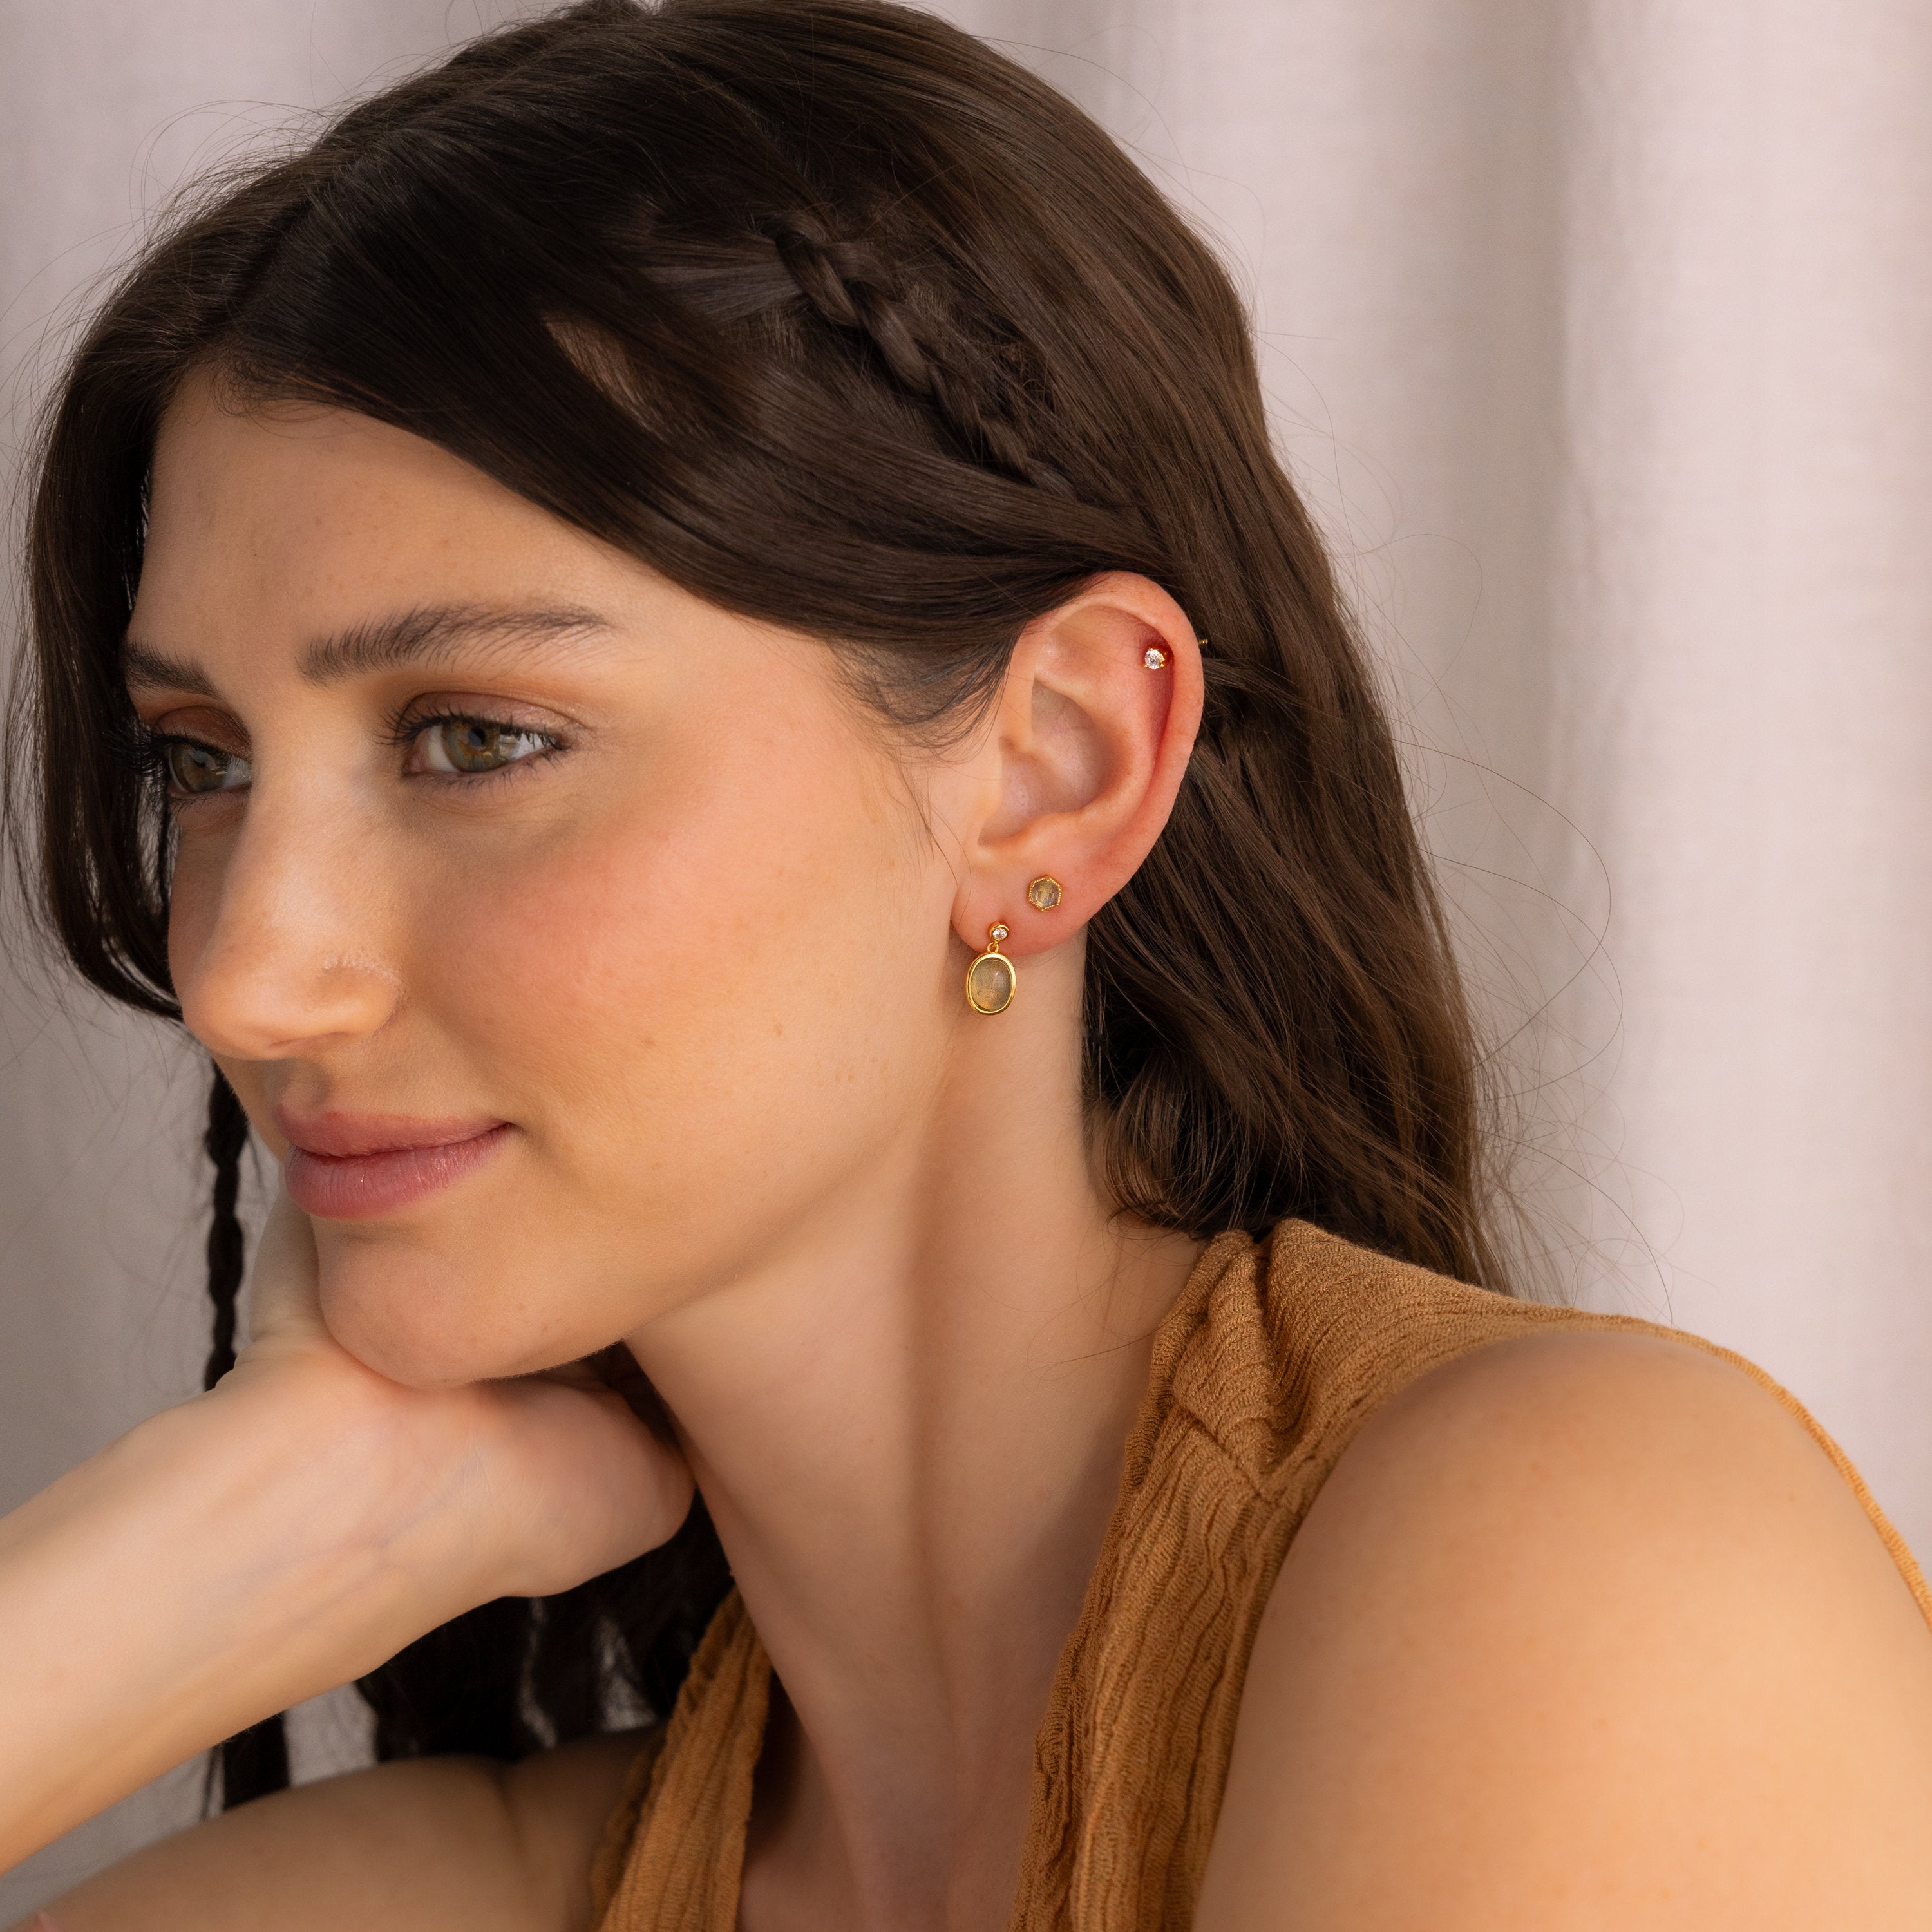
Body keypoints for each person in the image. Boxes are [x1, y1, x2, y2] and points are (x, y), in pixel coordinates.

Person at [7, 1, 1932, 1926]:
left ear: (1053, 772)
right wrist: (237, 1540)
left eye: (476, 739)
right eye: (204, 762)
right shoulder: (490, 1892)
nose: (251, 979)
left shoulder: (1580, 1557)